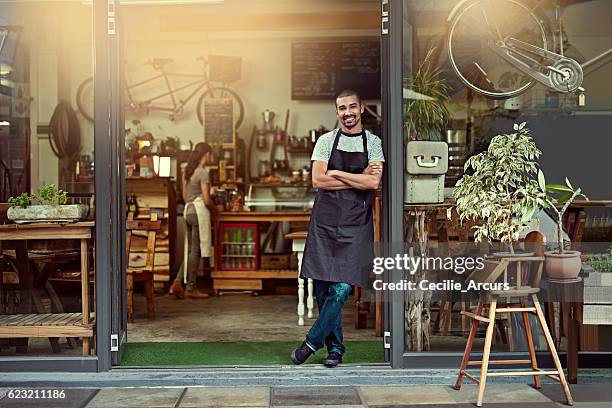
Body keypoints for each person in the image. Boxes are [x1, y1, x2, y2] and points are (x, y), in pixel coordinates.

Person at [291, 90, 384, 367]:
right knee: (321, 287)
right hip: (325, 222)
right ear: (337, 112)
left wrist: (339, 173)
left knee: (342, 288)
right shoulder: (326, 141)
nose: (348, 112)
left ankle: (311, 343)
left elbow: (373, 185)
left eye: (352, 106)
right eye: (342, 108)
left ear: (362, 108)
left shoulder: (374, 143)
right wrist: (357, 178)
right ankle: (335, 350)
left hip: (356, 225)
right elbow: (318, 180)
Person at [169, 142, 216, 299]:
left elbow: (184, 196)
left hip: (187, 211)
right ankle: (190, 288)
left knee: (190, 250)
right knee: (196, 250)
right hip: (197, 212)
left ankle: (177, 282)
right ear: (206, 155)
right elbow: (207, 200)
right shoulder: (203, 173)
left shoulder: (187, 172)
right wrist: (215, 210)